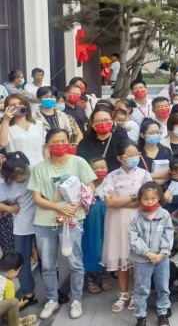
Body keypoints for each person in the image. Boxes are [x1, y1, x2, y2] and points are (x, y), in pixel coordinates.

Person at [29, 128, 96, 320]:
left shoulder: (79, 162)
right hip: (45, 222)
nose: (60, 145)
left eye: (63, 141)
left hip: (72, 219)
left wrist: (76, 205)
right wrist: (58, 207)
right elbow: (36, 198)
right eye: (55, 142)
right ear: (48, 145)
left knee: (75, 262)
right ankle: (52, 299)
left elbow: (90, 187)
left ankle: (76, 300)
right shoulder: (39, 168)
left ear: (69, 142)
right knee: (48, 264)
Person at [101, 142, 153, 313]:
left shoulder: (144, 175)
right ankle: (123, 294)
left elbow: (146, 201)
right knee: (121, 259)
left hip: (138, 221)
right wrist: (132, 198)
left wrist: (120, 200)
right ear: (119, 158)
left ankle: (137, 294)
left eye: (136, 154)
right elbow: (109, 203)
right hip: (116, 222)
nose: (134, 158)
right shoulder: (111, 177)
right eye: (129, 155)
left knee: (137, 261)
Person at [129, 182, 173, 326]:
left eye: (153, 198)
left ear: (159, 198)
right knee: (141, 289)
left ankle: (163, 314)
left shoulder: (165, 215)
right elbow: (134, 239)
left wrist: (163, 253)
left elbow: (168, 235)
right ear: (140, 199)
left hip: (162, 259)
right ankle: (140, 316)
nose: (150, 202)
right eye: (146, 199)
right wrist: (147, 253)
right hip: (142, 260)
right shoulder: (135, 218)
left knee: (163, 287)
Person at [0, 152, 38, 309]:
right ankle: (29, 293)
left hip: (42, 222)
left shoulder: (34, 171)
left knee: (47, 262)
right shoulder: (5, 184)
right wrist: (9, 208)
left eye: (24, 173)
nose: (22, 178)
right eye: (18, 176)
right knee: (22, 261)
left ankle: (53, 293)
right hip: (22, 226)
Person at [82, 157, 111, 295]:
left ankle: (104, 276)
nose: (100, 170)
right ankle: (89, 279)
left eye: (103, 167)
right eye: (96, 168)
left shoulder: (111, 182)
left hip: (107, 220)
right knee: (90, 247)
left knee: (106, 246)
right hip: (90, 223)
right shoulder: (85, 185)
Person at [77, 108, 132, 172]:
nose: (103, 123)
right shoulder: (85, 143)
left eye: (106, 120)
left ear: (112, 121)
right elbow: (80, 165)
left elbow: (128, 161)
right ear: (92, 124)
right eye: (98, 121)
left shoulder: (121, 139)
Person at [0, 93, 46, 167]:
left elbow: (45, 147)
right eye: (13, 105)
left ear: (26, 105)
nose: (18, 106)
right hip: (18, 169)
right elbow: (2, 143)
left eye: (20, 103)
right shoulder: (5, 126)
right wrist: (6, 120)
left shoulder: (38, 124)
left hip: (40, 167)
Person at [0, 252, 37, 326]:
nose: (19, 273)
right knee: (14, 302)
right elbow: (11, 306)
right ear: (11, 271)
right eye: (18, 270)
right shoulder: (8, 284)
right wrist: (21, 303)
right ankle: (16, 323)